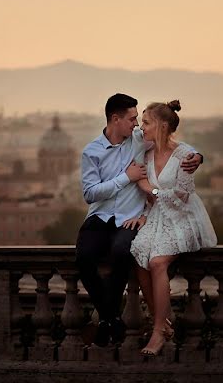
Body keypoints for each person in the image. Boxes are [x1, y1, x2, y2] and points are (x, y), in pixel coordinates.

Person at [75, 93, 203, 347]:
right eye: (132, 119)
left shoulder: (138, 139)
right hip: (100, 216)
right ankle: (110, 318)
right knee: (84, 257)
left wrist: (198, 157)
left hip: (128, 219)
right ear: (115, 119)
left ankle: (106, 321)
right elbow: (90, 194)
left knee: (123, 252)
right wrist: (126, 177)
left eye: (138, 119)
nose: (136, 124)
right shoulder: (92, 152)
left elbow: (171, 141)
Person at [130, 100, 217, 356]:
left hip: (183, 217)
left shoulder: (185, 155)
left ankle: (158, 332)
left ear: (163, 125)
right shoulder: (145, 152)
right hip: (157, 215)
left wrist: (152, 189)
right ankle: (163, 322)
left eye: (146, 122)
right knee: (139, 254)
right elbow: (142, 186)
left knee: (157, 262)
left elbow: (182, 195)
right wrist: (147, 204)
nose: (141, 127)